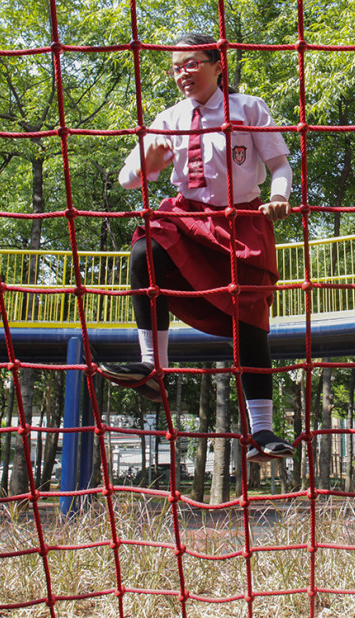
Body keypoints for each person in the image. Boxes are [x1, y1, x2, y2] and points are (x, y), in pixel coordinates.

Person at [100, 32, 293, 463]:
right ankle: (153, 367)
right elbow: (128, 177)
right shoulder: (169, 118)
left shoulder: (248, 108)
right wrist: (145, 164)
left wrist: (279, 194)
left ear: (217, 63)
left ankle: (262, 430)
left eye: (191, 63)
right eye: (175, 67)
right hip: (187, 217)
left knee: (250, 318)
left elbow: (280, 164)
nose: (182, 73)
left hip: (241, 221)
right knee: (145, 248)